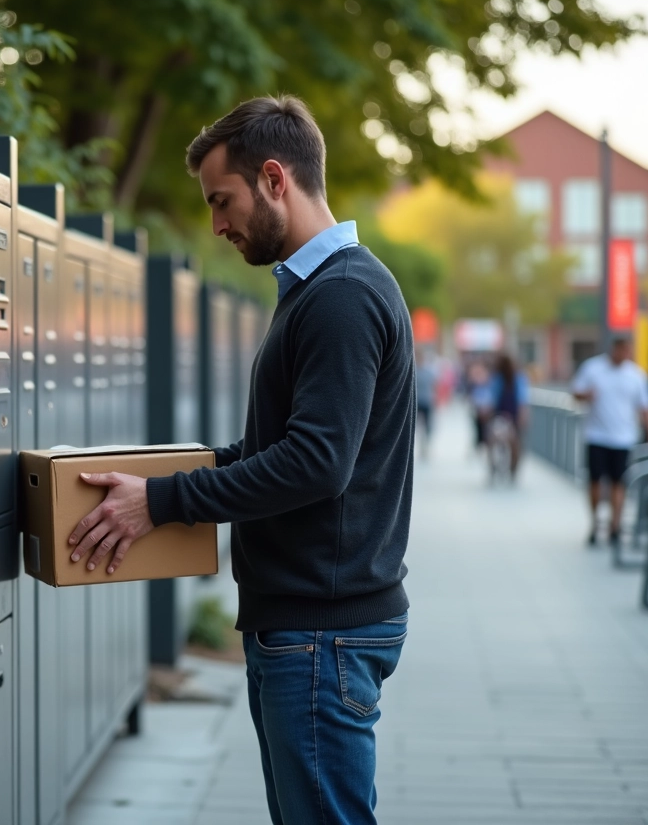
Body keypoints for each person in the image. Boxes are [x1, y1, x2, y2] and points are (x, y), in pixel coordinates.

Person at [62, 95, 414, 824]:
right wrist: (153, 483)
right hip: (312, 624)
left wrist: (162, 503)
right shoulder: (321, 290)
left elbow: (317, 463)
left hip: (321, 629)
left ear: (276, 179)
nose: (217, 224)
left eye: (223, 201)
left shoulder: (340, 298)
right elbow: (275, 449)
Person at [572, 336, 648, 546]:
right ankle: (595, 523)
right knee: (595, 481)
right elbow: (575, 392)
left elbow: (646, 408)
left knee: (618, 483)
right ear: (613, 349)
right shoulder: (593, 368)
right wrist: (586, 395)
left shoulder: (635, 375)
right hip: (597, 435)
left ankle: (615, 525)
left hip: (623, 437)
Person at [486, 354, 531, 481]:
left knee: (507, 443)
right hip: (503, 416)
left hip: (508, 417)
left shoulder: (516, 379)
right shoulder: (501, 378)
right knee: (513, 444)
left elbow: (522, 400)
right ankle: (510, 470)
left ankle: (502, 468)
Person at [416, 351, 437, 460]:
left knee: (427, 426)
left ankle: (425, 446)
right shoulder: (415, 371)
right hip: (419, 401)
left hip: (426, 401)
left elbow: (434, 386)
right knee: (417, 426)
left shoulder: (428, 372)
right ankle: (421, 445)